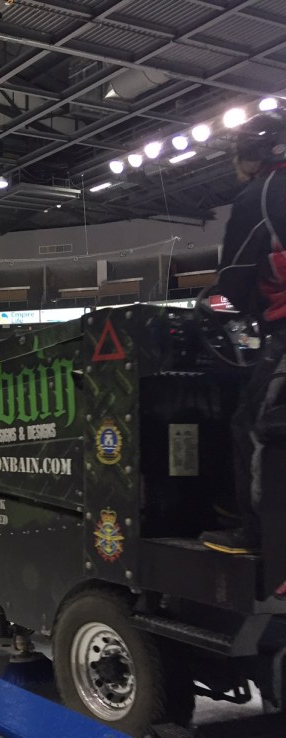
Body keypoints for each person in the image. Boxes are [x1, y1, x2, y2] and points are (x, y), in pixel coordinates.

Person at [200, 110, 286, 555]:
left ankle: (256, 534)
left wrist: (210, 306)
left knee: (253, 427)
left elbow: (232, 285)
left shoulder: (260, 195)